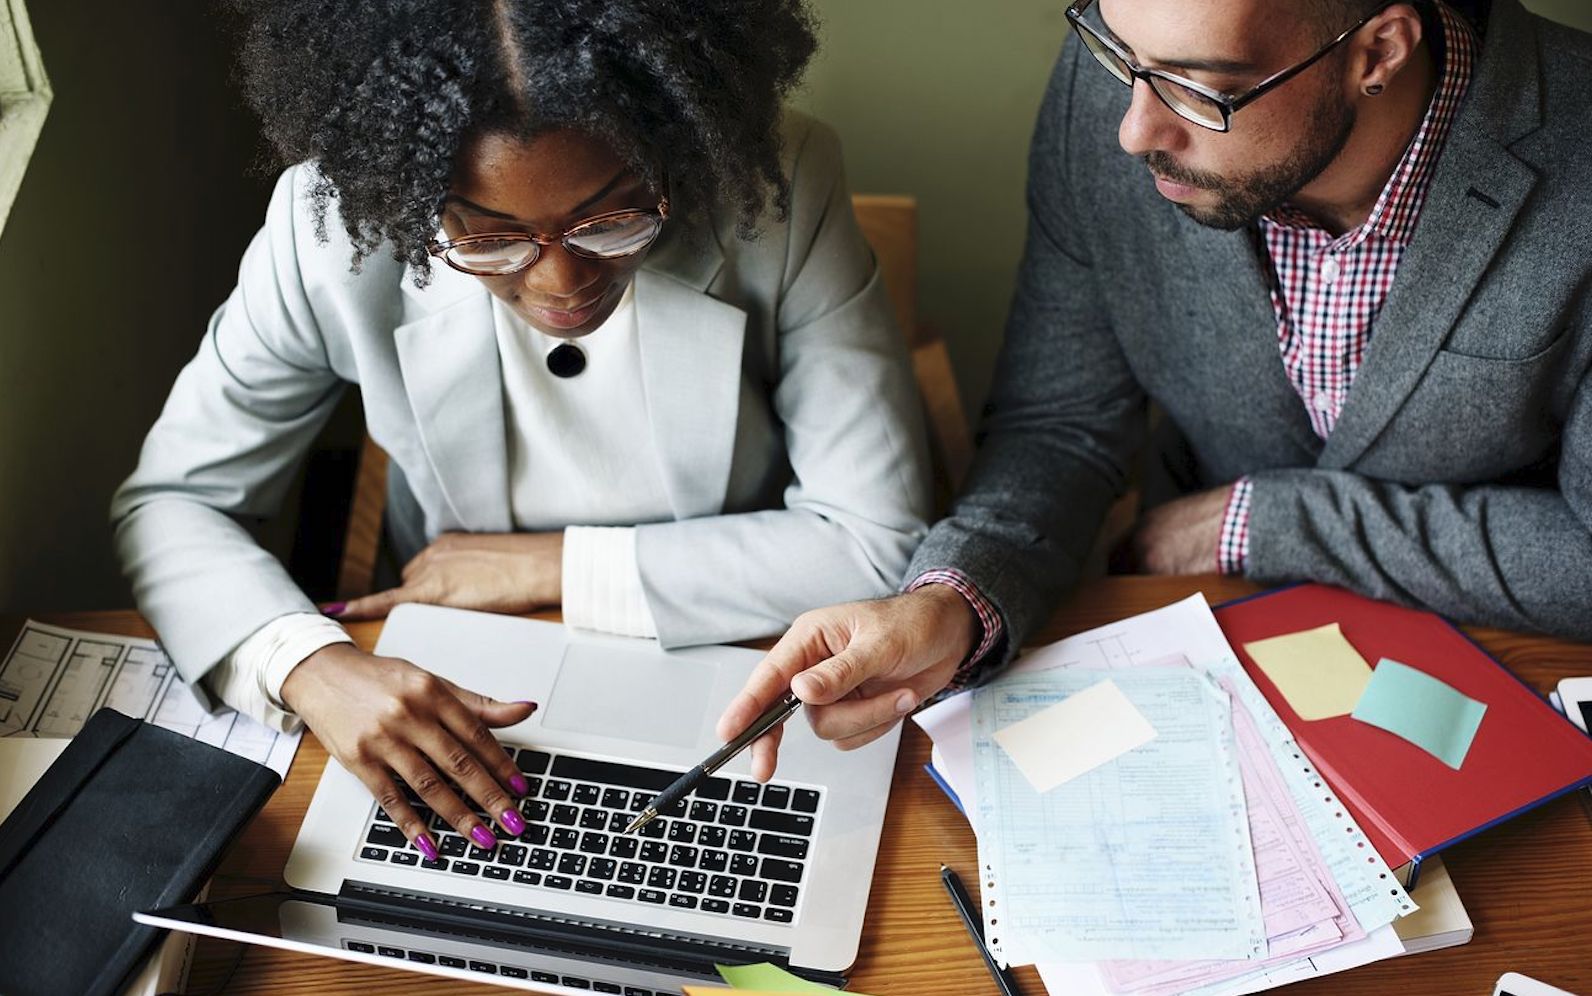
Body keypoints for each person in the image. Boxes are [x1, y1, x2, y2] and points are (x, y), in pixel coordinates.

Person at [112, 0, 931, 860]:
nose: (562, 281)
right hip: (468, 672)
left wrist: (553, 566)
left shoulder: (782, 181)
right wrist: (306, 665)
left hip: (741, 647)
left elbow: (876, 544)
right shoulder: (324, 234)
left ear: (676, 150)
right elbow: (172, 501)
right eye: (492, 239)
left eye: (612, 218)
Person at [719, 0, 1592, 779]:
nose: (1132, 130)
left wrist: (1263, 521)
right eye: (1117, 50)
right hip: (1208, 657)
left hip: (1506, 671)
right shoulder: (1121, 86)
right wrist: (952, 603)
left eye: (1198, 87)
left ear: (1379, 50)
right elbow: (1059, 425)